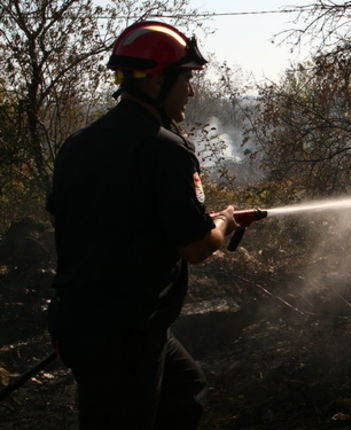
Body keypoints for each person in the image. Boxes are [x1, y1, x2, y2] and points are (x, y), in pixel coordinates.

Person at [46, 21, 237, 429]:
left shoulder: (79, 144)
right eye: (185, 77)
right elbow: (196, 247)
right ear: (155, 81)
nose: (191, 89)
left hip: (87, 319)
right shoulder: (166, 149)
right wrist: (223, 224)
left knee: (183, 389)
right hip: (124, 331)